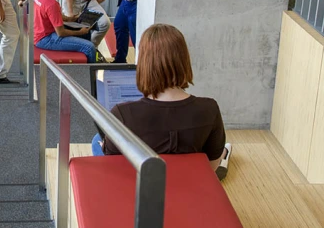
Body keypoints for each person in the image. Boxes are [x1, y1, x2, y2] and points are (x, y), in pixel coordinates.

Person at [93, 24, 232, 181]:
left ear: (145, 64)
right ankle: (225, 154)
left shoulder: (121, 113)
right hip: (189, 185)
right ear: (184, 60)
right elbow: (211, 167)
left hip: (141, 189)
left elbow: (115, 167)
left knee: (96, 142)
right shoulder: (209, 109)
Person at [31, 0, 97, 62]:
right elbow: (60, 33)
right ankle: (92, 76)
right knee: (90, 47)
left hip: (37, 32)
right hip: (44, 39)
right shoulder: (52, 3)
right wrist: (80, 32)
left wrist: (70, 19)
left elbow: (48, 14)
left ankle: (84, 66)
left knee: (85, 34)